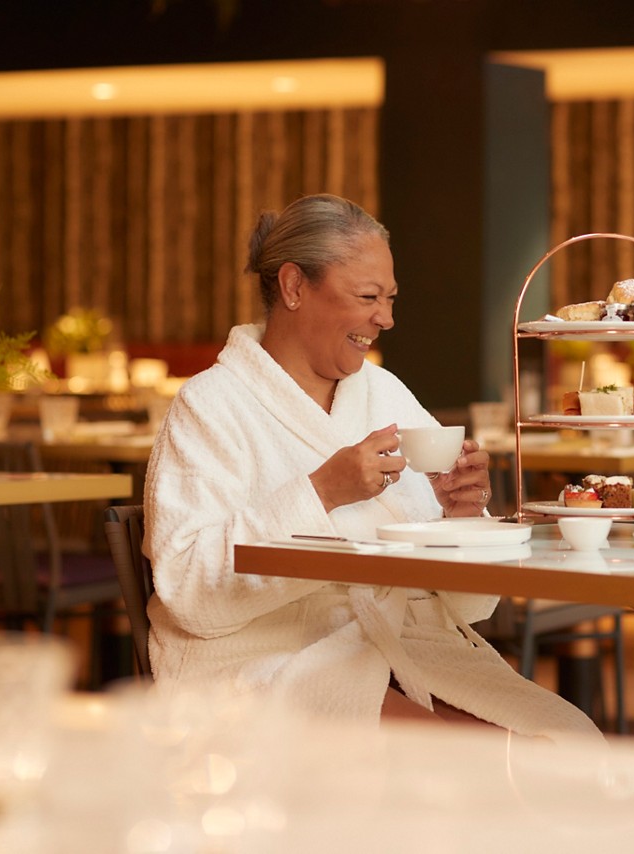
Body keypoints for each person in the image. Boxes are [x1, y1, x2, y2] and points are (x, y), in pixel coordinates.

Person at [144, 194, 600, 742]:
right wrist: (320, 494)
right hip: (269, 664)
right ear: (293, 287)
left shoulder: (383, 393)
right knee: (480, 768)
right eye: (367, 296)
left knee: (571, 744)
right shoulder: (210, 406)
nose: (385, 318)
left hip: (403, 652)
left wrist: (462, 517)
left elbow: (470, 606)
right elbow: (189, 590)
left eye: (389, 298)